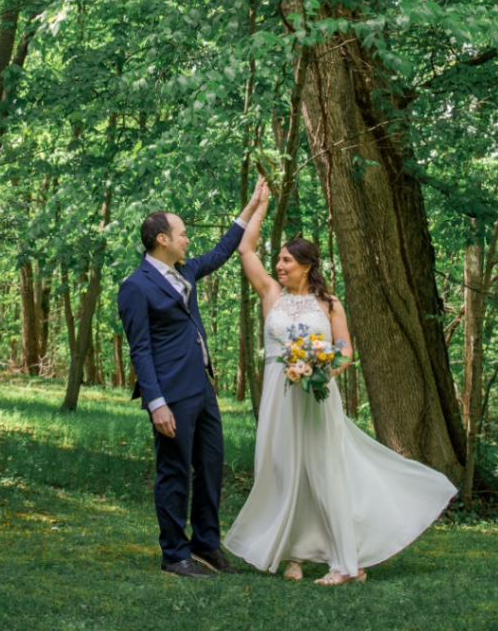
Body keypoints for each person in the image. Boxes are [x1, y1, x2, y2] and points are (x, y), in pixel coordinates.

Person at [222, 178, 457, 585]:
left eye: (287, 261)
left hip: (316, 394)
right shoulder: (271, 294)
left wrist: (323, 369)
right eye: (278, 260)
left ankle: (347, 563)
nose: (279, 266)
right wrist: (259, 205)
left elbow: (345, 350)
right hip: (279, 394)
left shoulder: (329, 304)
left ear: (306, 265)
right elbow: (245, 249)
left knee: (322, 471)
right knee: (281, 469)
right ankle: (294, 554)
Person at [117, 186, 267, 578]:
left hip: (202, 387)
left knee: (211, 466)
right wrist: (156, 403)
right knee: (174, 472)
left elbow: (221, 251)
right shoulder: (135, 286)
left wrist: (252, 206)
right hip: (170, 393)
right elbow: (140, 349)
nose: (187, 239)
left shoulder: (185, 271)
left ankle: (205, 544)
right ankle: (174, 554)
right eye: (182, 233)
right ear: (162, 239)